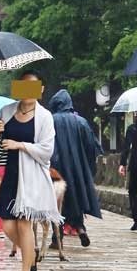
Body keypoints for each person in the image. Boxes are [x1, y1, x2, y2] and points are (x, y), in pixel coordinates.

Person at [0, 70, 60, 271]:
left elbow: (46, 150)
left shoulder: (45, 117)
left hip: (31, 176)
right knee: (6, 223)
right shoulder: (6, 111)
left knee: (24, 223)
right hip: (8, 174)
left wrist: (20, 145)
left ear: (40, 90)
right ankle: (30, 253)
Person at [49, 90, 101, 247]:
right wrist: (88, 169)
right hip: (78, 169)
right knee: (76, 198)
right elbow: (92, 148)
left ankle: (56, 238)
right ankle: (80, 228)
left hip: (56, 168)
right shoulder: (81, 122)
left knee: (56, 202)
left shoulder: (50, 120)